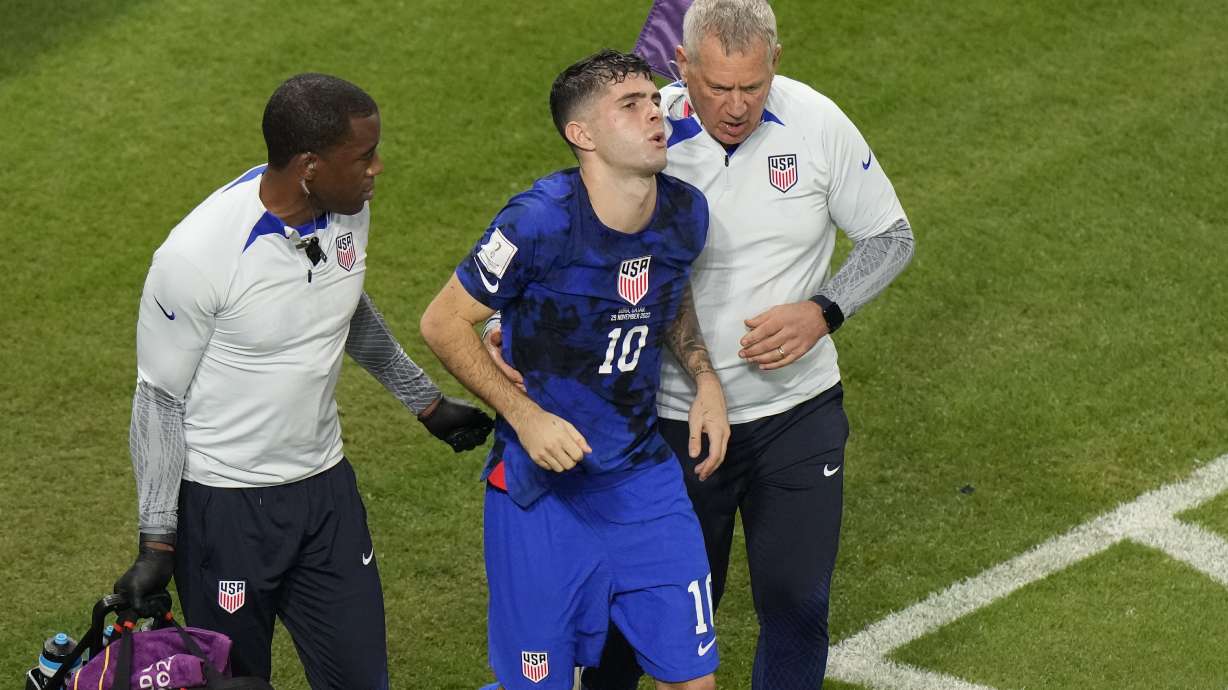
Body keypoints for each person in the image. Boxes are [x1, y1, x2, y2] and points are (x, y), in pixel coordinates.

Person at [489, 1, 916, 686]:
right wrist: (505, 327)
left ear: (775, 61)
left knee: (798, 603)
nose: (738, 105)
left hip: (797, 413)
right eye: (719, 87)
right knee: (644, 624)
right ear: (681, 68)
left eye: (754, 86)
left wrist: (824, 311)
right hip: (667, 423)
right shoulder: (642, 130)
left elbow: (892, 236)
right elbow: (577, 246)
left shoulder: (817, 122)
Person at [111, 72, 494, 688]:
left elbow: (344, 306)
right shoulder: (196, 257)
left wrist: (424, 403)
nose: (378, 169)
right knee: (237, 681)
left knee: (362, 679)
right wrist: (157, 542)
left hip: (325, 495)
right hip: (225, 512)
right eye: (364, 157)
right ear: (310, 166)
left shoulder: (348, 209)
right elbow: (157, 401)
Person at [419, 50, 730, 690]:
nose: (656, 115)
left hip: (642, 482)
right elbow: (443, 321)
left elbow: (666, 296)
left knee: (694, 681)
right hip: (540, 493)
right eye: (631, 105)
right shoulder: (539, 222)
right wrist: (527, 418)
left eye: (653, 100)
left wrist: (704, 378)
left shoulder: (685, 214)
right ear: (580, 135)